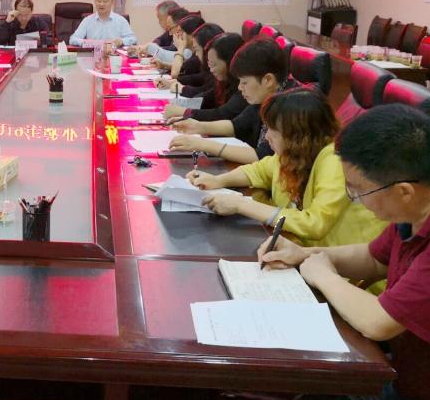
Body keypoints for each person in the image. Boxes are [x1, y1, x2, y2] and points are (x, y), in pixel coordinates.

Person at [260, 105, 430, 400]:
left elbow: (379, 322)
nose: (355, 199)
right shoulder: (423, 201)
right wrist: (303, 253)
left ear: (404, 191)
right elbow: (373, 258)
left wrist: (323, 274)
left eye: (358, 191)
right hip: (406, 374)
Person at [187, 88, 387, 251]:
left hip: (347, 271)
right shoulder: (294, 154)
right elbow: (259, 171)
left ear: (298, 137)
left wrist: (241, 205)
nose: (267, 137)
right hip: (305, 252)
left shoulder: (335, 161)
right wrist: (219, 180)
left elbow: (314, 223)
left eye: (273, 131)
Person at [169, 36, 297, 164]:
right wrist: (197, 126)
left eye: (244, 82)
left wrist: (203, 144)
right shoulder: (267, 94)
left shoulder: (289, 107)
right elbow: (237, 125)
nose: (240, 87)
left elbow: (262, 156)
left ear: (268, 80)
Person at [164, 32, 247, 123]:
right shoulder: (224, 81)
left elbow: (222, 114)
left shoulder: (243, 89)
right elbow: (205, 98)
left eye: (214, 64)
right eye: (210, 64)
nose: (211, 70)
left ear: (230, 62)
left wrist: (185, 112)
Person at [68, 0, 137, 47]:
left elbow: (133, 39)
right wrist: (87, 42)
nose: (101, 4)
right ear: (95, 2)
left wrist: (122, 41)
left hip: (114, 55)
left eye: (105, 1)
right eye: (99, 1)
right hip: (93, 55)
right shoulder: (87, 20)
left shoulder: (121, 20)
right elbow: (73, 39)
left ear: (112, 2)